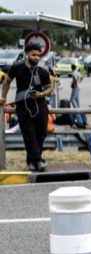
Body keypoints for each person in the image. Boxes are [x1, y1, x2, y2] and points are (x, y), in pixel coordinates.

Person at [0, 43, 54, 171]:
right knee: (29, 134)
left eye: (38, 55)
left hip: (40, 106)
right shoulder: (17, 67)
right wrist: (3, 97)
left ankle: (32, 161)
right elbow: (7, 81)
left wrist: (41, 94)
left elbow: (50, 89)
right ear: (27, 54)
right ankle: (38, 161)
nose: (36, 58)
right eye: (33, 55)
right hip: (23, 107)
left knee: (41, 134)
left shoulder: (42, 71)